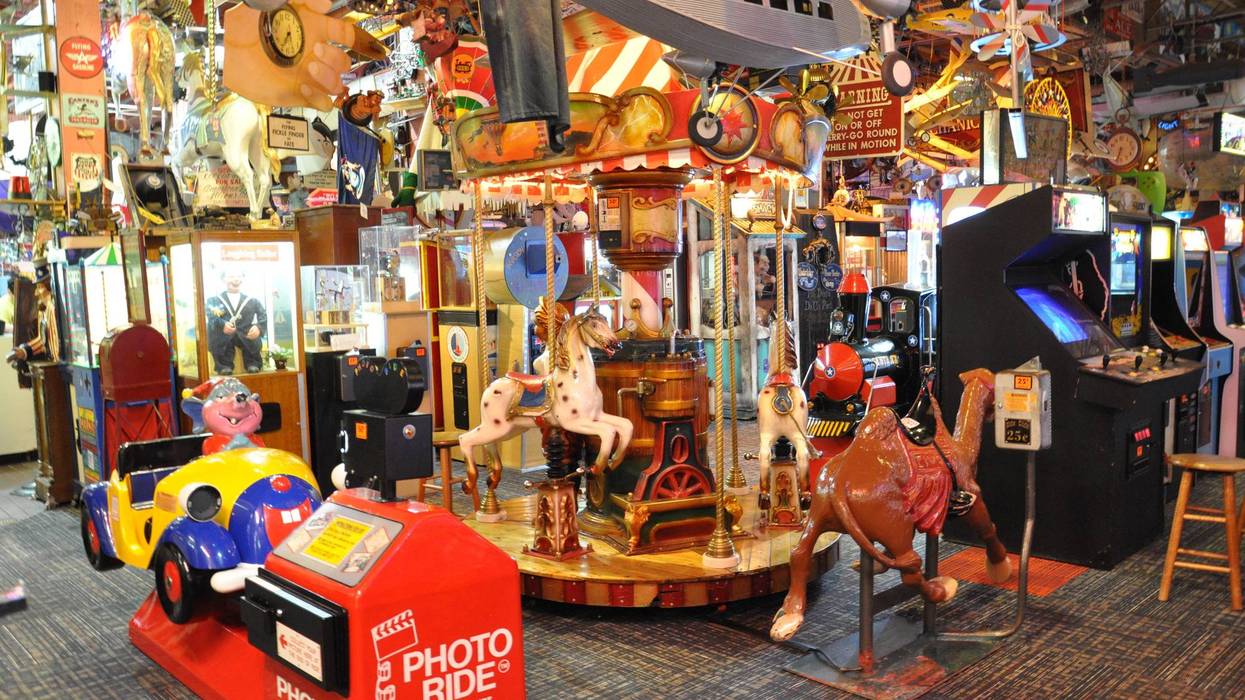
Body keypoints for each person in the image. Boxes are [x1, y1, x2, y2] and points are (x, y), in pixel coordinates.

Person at [205, 267, 267, 374]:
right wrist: (222, 324)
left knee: (252, 339)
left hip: (245, 333)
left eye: (239, 276)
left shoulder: (252, 300)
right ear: (223, 279)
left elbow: (263, 315)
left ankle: (253, 363)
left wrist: (258, 327)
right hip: (224, 334)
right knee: (216, 335)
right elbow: (211, 316)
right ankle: (223, 365)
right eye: (231, 276)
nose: (236, 279)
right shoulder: (214, 300)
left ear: (243, 279)